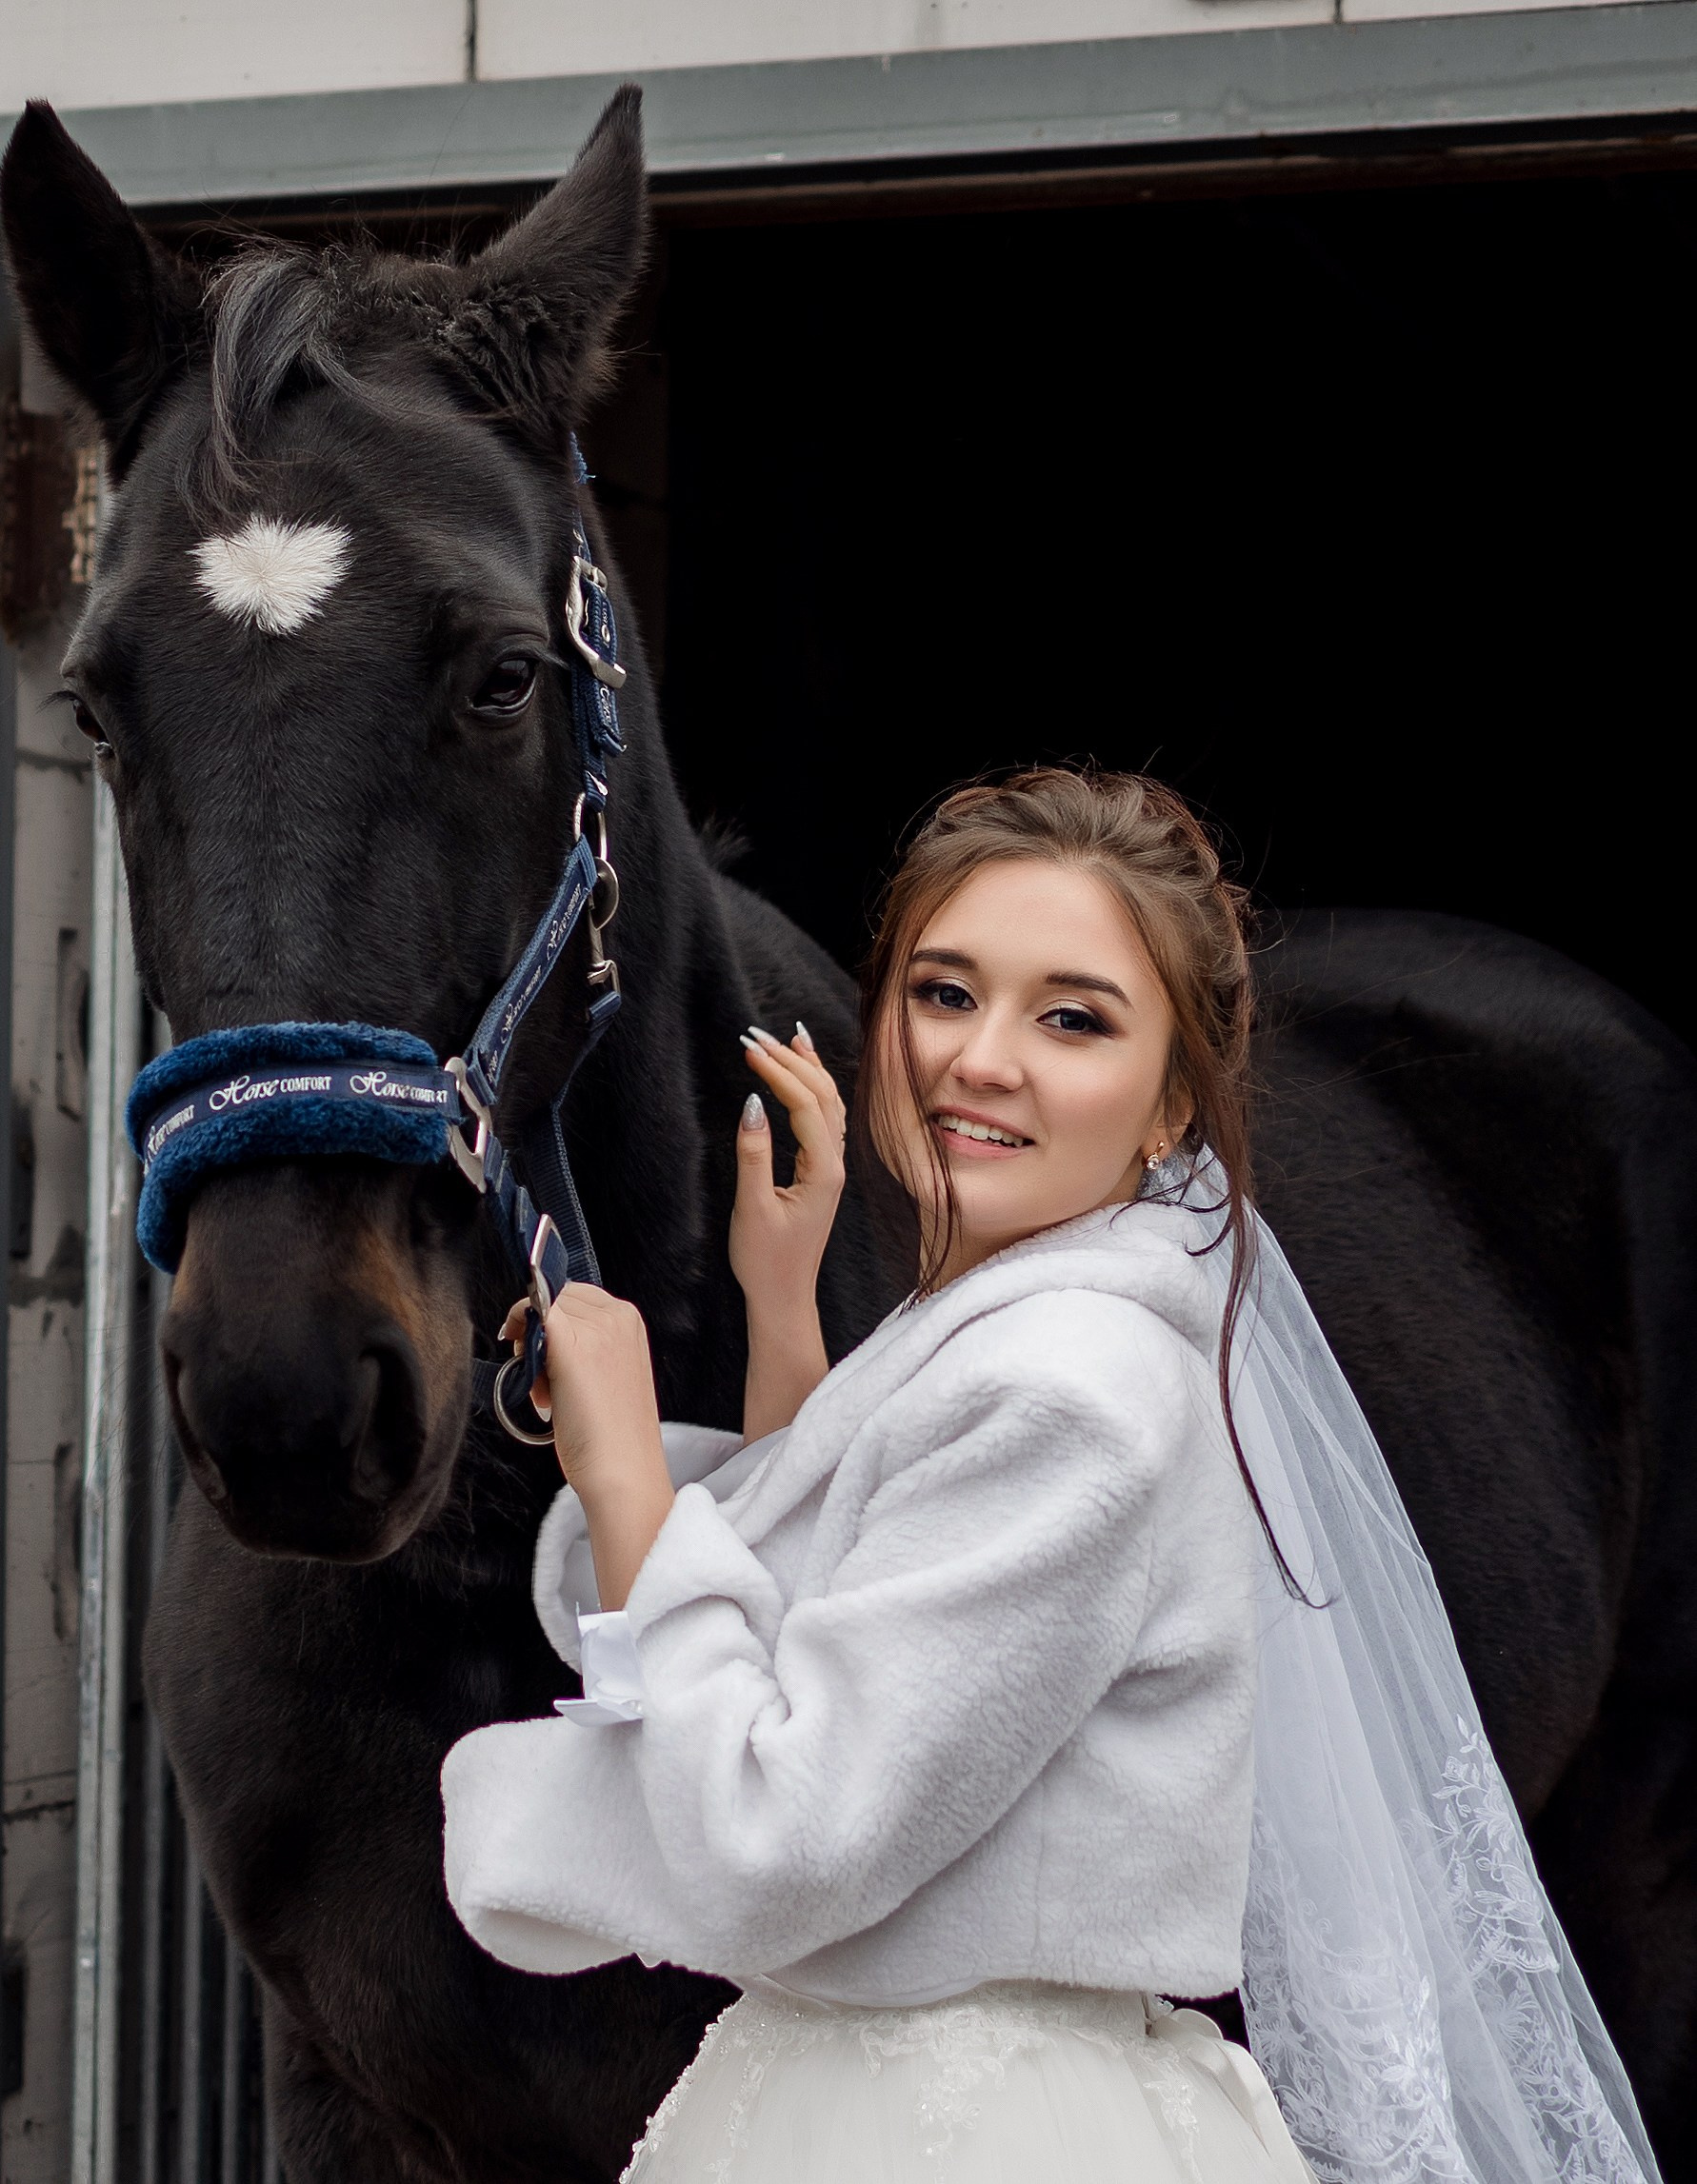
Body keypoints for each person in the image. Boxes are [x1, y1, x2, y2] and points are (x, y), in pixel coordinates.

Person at [440, 769, 1659, 2184]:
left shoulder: (1068, 1391)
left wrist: (630, 1473)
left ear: (1169, 1108)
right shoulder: (1008, 1340)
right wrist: (783, 1308)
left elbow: (780, 1829)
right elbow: (836, 1623)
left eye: (1071, 1017)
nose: (980, 1058)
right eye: (944, 993)